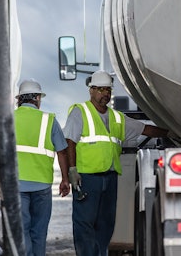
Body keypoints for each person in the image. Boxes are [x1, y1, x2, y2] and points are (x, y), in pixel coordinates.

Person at [63, 70, 174, 256]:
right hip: (87, 177)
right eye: (100, 89)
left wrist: (172, 133)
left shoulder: (117, 117)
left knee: (106, 223)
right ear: (91, 91)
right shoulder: (79, 112)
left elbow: (145, 129)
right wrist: (71, 170)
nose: (104, 94)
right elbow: (69, 142)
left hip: (110, 177)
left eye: (108, 90)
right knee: (85, 224)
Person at [14, 79, 70, 256]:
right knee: (39, 231)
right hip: (42, 185)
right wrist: (65, 179)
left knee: (21, 231)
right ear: (37, 98)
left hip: (16, 185)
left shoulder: (8, 119)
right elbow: (62, 152)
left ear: (19, 99)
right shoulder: (49, 120)